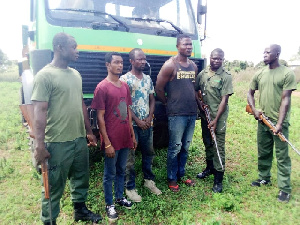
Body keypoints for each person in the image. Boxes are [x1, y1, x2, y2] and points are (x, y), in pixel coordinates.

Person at [31, 32, 102, 225]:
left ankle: (80, 211)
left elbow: (81, 104)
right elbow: (39, 111)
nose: (77, 51)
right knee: (53, 186)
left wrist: (88, 131)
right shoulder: (45, 76)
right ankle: (49, 220)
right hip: (56, 141)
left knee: (81, 178)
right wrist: (39, 145)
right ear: (59, 48)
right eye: (73, 47)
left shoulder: (76, 75)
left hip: (78, 138)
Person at [247, 44, 297, 203]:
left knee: (282, 156)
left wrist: (280, 123)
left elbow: (286, 99)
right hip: (263, 119)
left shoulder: (287, 73)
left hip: (278, 121)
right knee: (264, 151)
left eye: (268, 52)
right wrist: (254, 109)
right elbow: (250, 92)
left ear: (277, 54)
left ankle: (285, 189)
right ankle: (264, 178)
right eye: (264, 52)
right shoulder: (260, 72)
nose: (264, 54)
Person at [91, 52, 137, 221]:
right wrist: (107, 143)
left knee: (121, 170)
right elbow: (100, 118)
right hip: (112, 139)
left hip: (125, 137)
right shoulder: (102, 87)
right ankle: (109, 204)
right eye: (116, 62)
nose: (120, 65)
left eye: (121, 62)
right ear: (107, 65)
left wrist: (132, 135)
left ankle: (119, 197)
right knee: (109, 174)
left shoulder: (124, 86)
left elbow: (128, 112)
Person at [155, 34, 198, 192]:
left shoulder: (193, 66)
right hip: (176, 114)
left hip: (191, 113)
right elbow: (159, 88)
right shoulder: (170, 65)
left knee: (186, 146)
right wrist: (168, 103)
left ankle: (181, 174)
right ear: (177, 46)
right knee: (175, 147)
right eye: (185, 44)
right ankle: (171, 178)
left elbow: (192, 88)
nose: (189, 47)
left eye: (190, 45)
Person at [120, 48, 162, 202]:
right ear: (131, 61)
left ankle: (148, 181)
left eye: (144, 59)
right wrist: (137, 120)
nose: (143, 62)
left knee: (148, 153)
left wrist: (150, 117)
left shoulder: (148, 79)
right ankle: (130, 187)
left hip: (147, 124)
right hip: (131, 125)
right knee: (130, 158)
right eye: (139, 59)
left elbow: (152, 99)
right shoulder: (124, 80)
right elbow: (124, 104)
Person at [195, 48, 233, 193]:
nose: (216, 61)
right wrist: (201, 106)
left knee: (218, 146)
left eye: (220, 59)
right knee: (207, 142)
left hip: (219, 117)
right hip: (206, 115)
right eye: (214, 58)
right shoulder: (202, 74)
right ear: (210, 57)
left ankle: (218, 178)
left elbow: (225, 99)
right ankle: (209, 168)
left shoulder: (226, 76)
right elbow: (196, 91)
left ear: (223, 60)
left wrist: (216, 119)